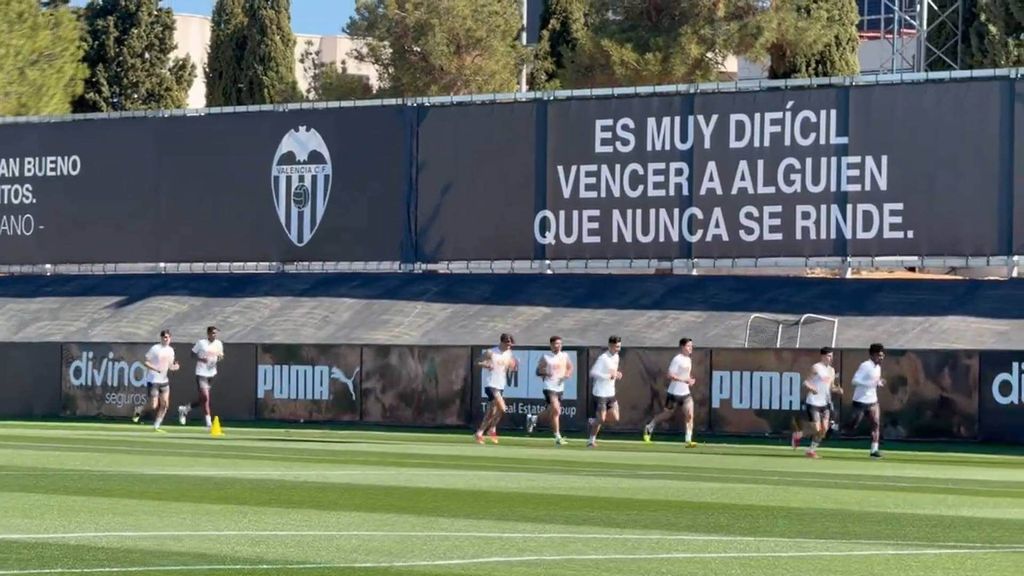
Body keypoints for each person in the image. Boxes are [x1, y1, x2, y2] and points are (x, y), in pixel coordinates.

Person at [643, 338, 697, 447]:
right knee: (667, 414)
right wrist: (684, 380)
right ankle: (649, 426)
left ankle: (688, 440)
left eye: (691, 346)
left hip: (685, 393)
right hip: (674, 393)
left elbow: (685, 375)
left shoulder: (689, 359)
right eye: (688, 346)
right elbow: (670, 375)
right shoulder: (677, 359)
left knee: (690, 415)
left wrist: (690, 380)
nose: (690, 348)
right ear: (682, 347)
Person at [791, 346, 841, 458]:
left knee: (824, 429)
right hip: (813, 402)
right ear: (823, 356)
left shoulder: (831, 370)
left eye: (831, 356)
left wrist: (837, 390)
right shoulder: (816, 367)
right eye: (828, 356)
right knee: (816, 429)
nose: (830, 358)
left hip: (825, 403)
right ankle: (798, 435)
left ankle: (811, 450)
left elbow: (831, 386)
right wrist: (812, 388)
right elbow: (806, 382)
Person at [525, 335, 574, 446]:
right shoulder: (546, 357)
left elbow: (570, 367)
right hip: (549, 386)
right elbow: (537, 371)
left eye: (560, 344)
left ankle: (534, 418)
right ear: (551, 345)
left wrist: (567, 375)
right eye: (556, 344)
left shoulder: (565, 355)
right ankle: (558, 437)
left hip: (560, 388)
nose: (558, 346)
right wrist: (546, 372)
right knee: (556, 410)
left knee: (553, 411)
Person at [132, 329, 180, 432]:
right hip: (153, 380)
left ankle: (156, 426)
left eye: (168, 337)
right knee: (153, 406)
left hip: (164, 381)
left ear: (170, 338)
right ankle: (139, 409)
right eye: (164, 337)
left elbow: (170, 366)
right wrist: (155, 369)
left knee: (165, 405)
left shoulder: (171, 350)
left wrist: (175, 367)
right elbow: (145, 362)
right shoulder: (155, 348)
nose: (166, 339)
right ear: (161, 338)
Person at [474, 333, 517, 444]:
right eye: (508, 343)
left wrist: (512, 366)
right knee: (502, 408)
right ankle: (490, 429)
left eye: (511, 344)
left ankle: (481, 432)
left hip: (500, 384)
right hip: (491, 384)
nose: (509, 346)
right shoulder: (491, 352)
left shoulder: (508, 353)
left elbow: (508, 365)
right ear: (502, 342)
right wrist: (486, 365)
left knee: (492, 411)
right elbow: (477, 362)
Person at [178, 326, 224, 429]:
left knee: (203, 399)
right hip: (201, 373)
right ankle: (209, 423)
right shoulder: (201, 343)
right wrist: (201, 359)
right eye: (213, 333)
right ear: (208, 334)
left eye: (216, 333)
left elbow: (221, 355)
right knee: (206, 397)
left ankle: (185, 409)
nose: (214, 335)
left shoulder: (218, 343)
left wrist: (218, 358)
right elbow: (192, 354)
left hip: (212, 374)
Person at [847, 343, 886, 458]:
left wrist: (878, 383)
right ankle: (833, 427)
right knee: (853, 425)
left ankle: (874, 450)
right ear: (873, 355)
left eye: (882, 355)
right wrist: (871, 383)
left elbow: (875, 382)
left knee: (876, 424)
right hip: (860, 401)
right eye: (879, 355)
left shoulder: (878, 367)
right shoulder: (865, 366)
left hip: (873, 401)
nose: (881, 358)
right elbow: (854, 381)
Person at [587, 335, 622, 448]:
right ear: (610, 346)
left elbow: (613, 372)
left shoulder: (616, 357)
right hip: (600, 393)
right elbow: (593, 373)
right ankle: (591, 441)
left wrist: (617, 374)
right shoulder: (603, 358)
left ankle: (594, 421)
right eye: (616, 347)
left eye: (619, 346)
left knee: (615, 418)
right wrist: (608, 376)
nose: (618, 349)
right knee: (601, 418)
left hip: (611, 393)